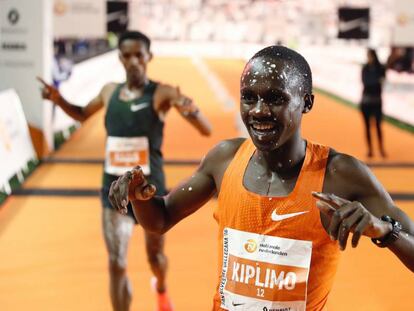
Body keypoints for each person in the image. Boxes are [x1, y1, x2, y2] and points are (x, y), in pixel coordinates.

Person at [109, 45, 414, 311]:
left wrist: (385, 231)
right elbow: (159, 220)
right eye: (249, 97)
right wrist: (138, 195)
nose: (259, 111)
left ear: (306, 102)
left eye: (275, 99)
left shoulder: (339, 174)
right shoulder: (225, 159)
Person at [38, 30, 212, 311]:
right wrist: (58, 99)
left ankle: (162, 288)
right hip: (115, 190)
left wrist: (190, 109)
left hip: (149, 191)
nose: (133, 61)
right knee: (116, 263)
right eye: (127, 56)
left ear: (149, 57)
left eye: (138, 55)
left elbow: (206, 129)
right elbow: (82, 114)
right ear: (120, 58)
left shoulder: (162, 92)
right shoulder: (109, 92)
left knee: (154, 258)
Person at [360, 48, 387, 158]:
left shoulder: (380, 68)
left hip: (376, 102)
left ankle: (381, 149)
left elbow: (378, 82)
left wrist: (374, 82)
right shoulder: (365, 68)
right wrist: (376, 81)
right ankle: (370, 150)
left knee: (378, 126)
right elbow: (366, 82)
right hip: (366, 102)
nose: (369, 58)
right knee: (367, 127)